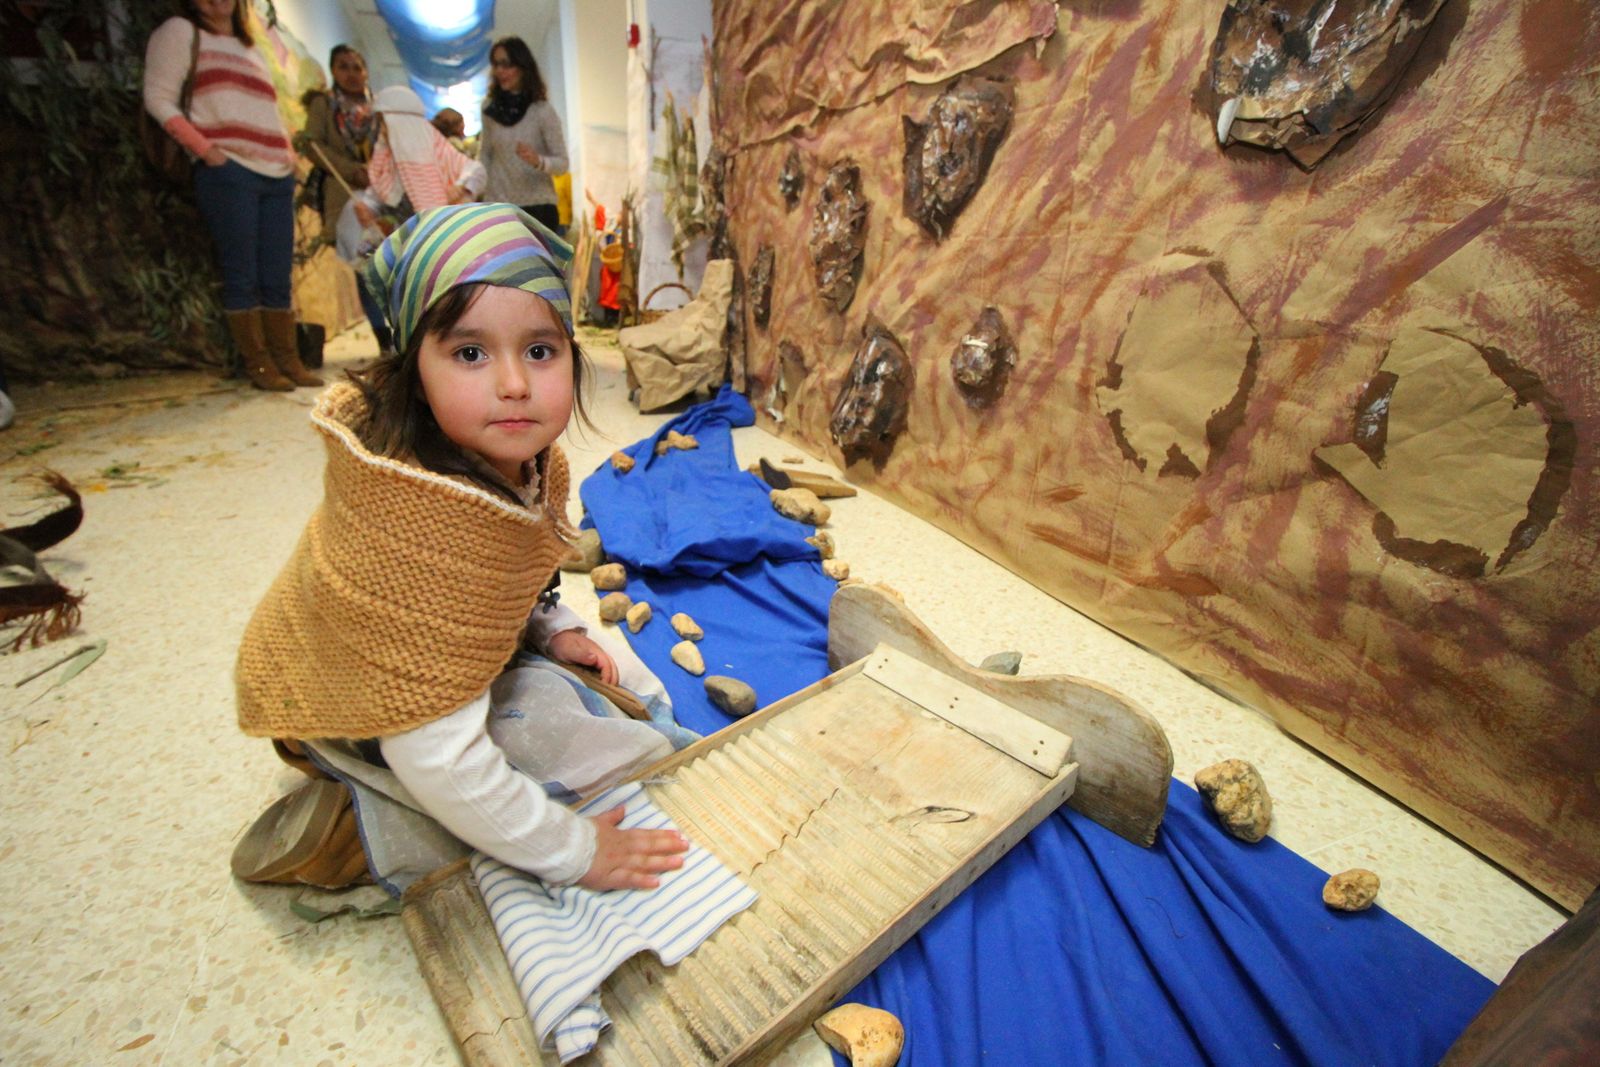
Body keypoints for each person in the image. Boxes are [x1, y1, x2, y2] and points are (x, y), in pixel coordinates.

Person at [233, 203, 692, 892]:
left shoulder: (515, 461)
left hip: (443, 674)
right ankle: (353, 810)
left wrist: (551, 625)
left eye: (540, 351)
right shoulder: (409, 532)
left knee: (618, 678)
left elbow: (512, 568)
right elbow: (436, 753)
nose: (514, 384)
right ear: (413, 369)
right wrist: (573, 851)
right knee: (577, 747)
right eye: (470, 353)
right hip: (360, 709)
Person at [143, 0, 321, 391]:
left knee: (277, 271)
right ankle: (258, 364)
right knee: (242, 272)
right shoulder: (180, 32)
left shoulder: (250, 46)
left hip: (275, 173)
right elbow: (158, 99)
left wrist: (289, 157)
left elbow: (267, 110)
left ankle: (289, 359)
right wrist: (207, 151)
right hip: (229, 171)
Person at [300, 45, 389, 353]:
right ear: (334, 71)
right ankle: (383, 337)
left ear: (366, 71)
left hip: (383, 195)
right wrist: (353, 171)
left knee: (391, 261)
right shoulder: (324, 106)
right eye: (343, 67)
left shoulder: (379, 110)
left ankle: (402, 328)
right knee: (365, 267)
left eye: (356, 66)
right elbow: (314, 146)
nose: (351, 74)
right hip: (346, 196)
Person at [479, 36, 568, 232]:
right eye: (496, 64)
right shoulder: (489, 110)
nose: (499, 71)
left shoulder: (542, 111)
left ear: (522, 67)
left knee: (536, 264)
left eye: (506, 64)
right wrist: (471, 188)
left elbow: (562, 164)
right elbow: (485, 155)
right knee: (499, 264)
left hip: (538, 209)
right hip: (498, 208)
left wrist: (538, 161)